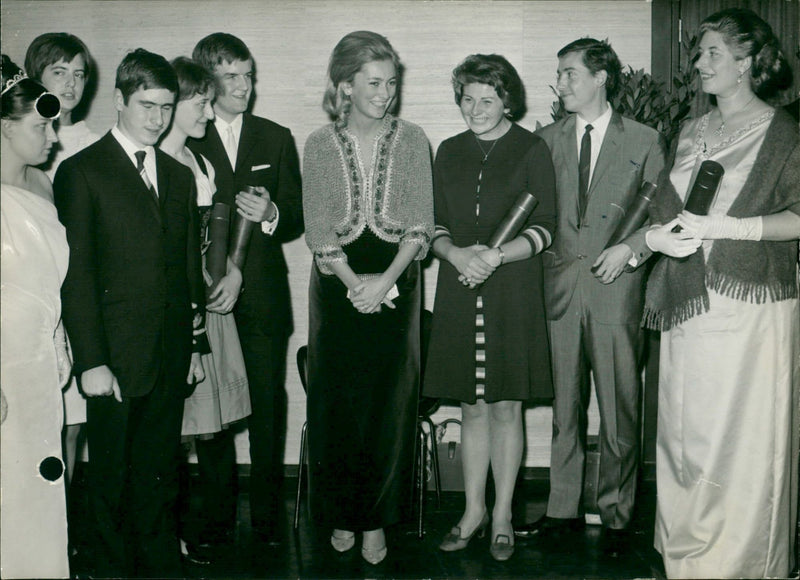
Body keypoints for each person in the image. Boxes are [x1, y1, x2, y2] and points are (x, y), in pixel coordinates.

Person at [643, 8, 799, 578]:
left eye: (713, 53)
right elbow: (666, 203)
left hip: (752, 304)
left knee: (739, 436)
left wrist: (727, 228)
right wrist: (654, 236)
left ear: (747, 63)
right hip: (688, 299)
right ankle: (687, 557)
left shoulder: (783, 132)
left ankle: (739, 563)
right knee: (686, 433)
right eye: (699, 52)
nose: (699, 63)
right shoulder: (690, 128)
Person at [54, 48, 205, 578]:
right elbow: (78, 277)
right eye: (146, 105)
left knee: (160, 472)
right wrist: (92, 360)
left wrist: (193, 348)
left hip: (168, 353)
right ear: (119, 100)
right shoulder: (81, 172)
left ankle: (160, 566)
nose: (157, 119)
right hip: (112, 360)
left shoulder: (179, 176)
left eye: (166, 107)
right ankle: (111, 570)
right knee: (112, 477)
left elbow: (187, 274)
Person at [514, 39, 666, 554]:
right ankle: (562, 508)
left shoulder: (645, 139)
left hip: (617, 290)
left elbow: (662, 217)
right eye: (559, 74)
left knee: (621, 405)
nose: (560, 84)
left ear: (601, 78)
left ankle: (618, 513)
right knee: (565, 407)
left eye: (570, 74)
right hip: (558, 288)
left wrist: (631, 250)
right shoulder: (546, 139)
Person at [302, 30, 433, 565]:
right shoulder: (317, 144)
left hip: (397, 283)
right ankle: (342, 515)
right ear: (345, 86)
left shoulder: (413, 139)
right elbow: (317, 232)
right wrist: (358, 284)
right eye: (374, 83)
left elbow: (421, 226)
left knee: (390, 406)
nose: (385, 93)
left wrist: (384, 283)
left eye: (391, 83)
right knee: (338, 405)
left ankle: (377, 521)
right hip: (337, 288)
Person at [423, 53, 556, 561]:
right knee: (472, 406)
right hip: (460, 283)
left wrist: (497, 255)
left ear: (507, 100)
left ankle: (502, 513)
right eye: (467, 99)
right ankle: (472, 510)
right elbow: (433, 223)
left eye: (487, 99)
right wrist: (457, 253)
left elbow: (545, 225)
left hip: (512, 286)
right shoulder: (448, 151)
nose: (475, 109)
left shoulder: (531, 148)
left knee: (506, 406)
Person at [189, 33, 303, 545]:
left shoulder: (276, 136)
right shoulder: (185, 134)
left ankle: (266, 519)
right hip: (209, 295)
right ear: (208, 81)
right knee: (212, 405)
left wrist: (274, 213)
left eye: (249, 74)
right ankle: (215, 516)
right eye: (232, 76)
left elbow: (297, 217)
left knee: (266, 403)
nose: (244, 86)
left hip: (263, 296)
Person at [159, 56, 251, 565]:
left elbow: (215, 241)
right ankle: (163, 539)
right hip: (175, 309)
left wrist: (229, 273)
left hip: (209, 306)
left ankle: (200, 534)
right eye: (201, 104)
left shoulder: (204, 164)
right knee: (169, 429)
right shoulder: (152, 166)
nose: (211, 116)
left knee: (207, 426)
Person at [0, 54, 70, 579]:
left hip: (43, 363)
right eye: (42, 125)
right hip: (3, 364)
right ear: (6, 128)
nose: (53, 136)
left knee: (40, 486)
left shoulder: (44, 186)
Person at [25, 31, 100, 489]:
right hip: (33, 295)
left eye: (79, 74)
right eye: (59, 73)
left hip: (76, 295)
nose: (71, 85)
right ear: (36, 77)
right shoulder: (21, 141)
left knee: (73, 422)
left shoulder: (95, 142)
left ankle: (66, 528)